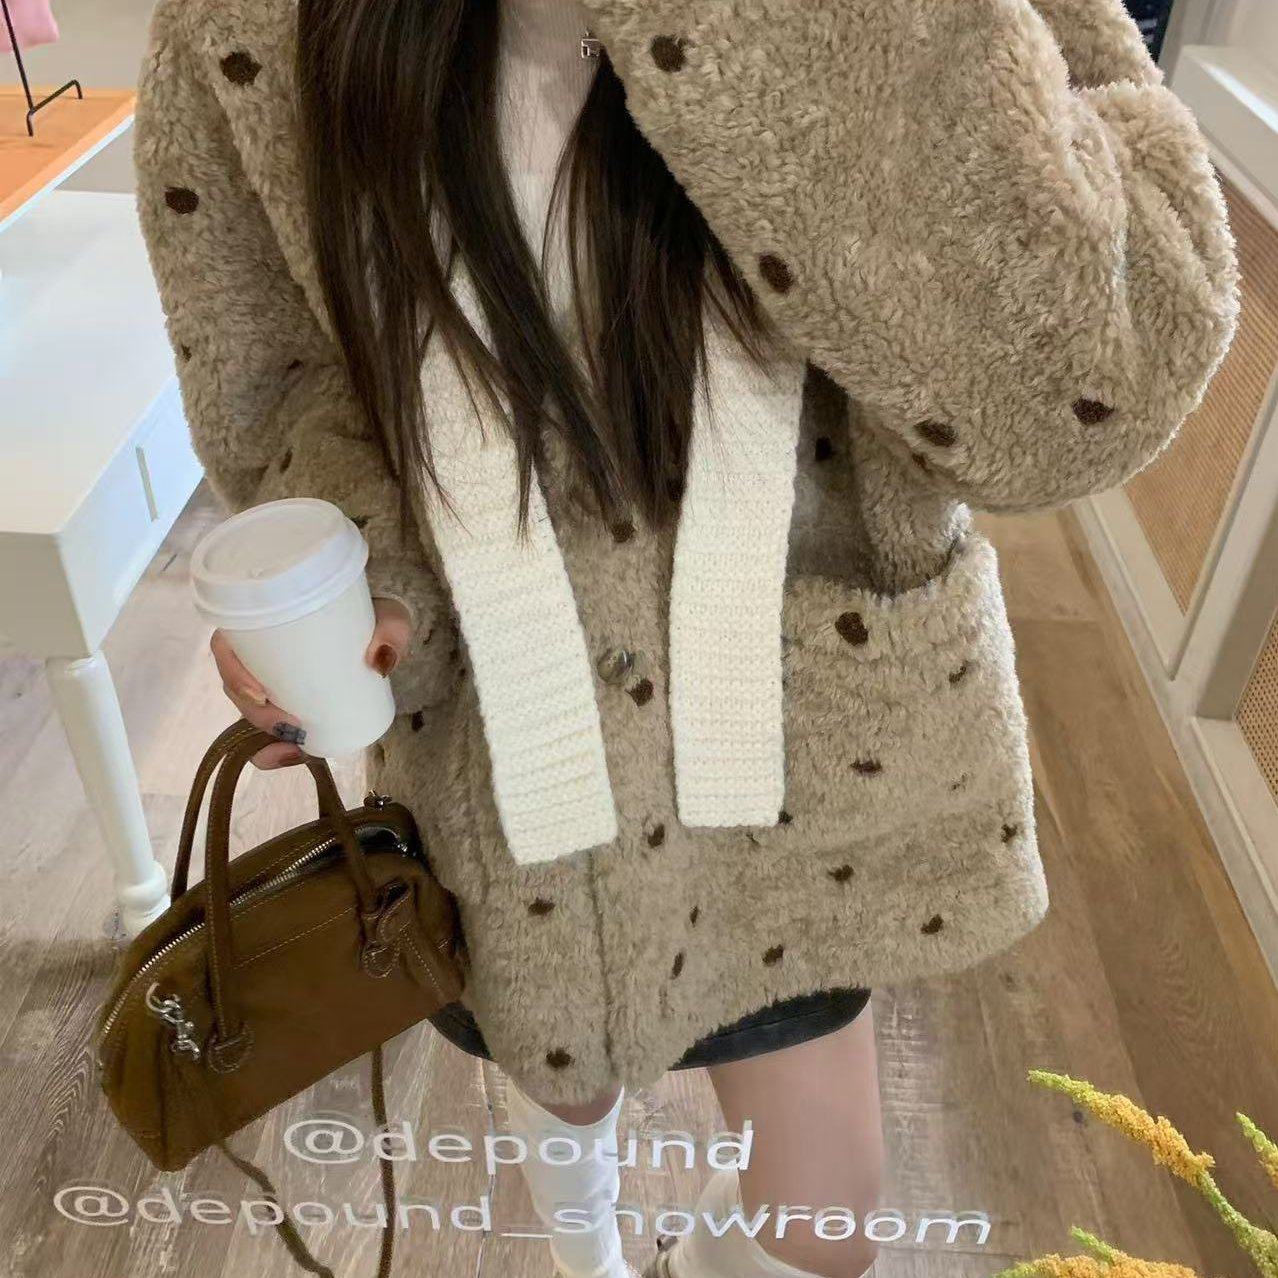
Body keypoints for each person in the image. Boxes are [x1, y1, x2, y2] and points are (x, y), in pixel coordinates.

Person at [134, 1, 1236, 1274]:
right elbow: (282, 377)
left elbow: (1086, 390)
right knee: (561, 1079)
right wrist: (361, 571)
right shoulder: (244, 25)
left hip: (796, 760)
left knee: (821, 1231)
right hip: (511, 745)